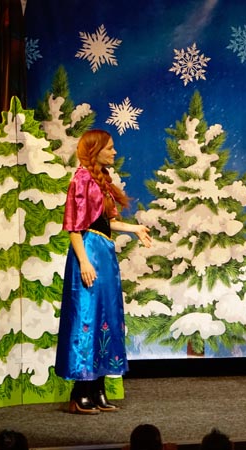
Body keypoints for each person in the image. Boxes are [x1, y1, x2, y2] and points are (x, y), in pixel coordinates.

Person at [55, 129, 153, 414]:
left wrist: (134, 228)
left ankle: (97, 388)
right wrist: (84, 262)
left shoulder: (101, 180)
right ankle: (80, 392)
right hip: (88, 252)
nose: (114, 152)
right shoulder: (81, 179)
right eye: (109, 148)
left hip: (104, 253)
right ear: (94, 150)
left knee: (105, 317)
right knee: (86, 317)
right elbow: (75, 227)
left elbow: (104, 223)